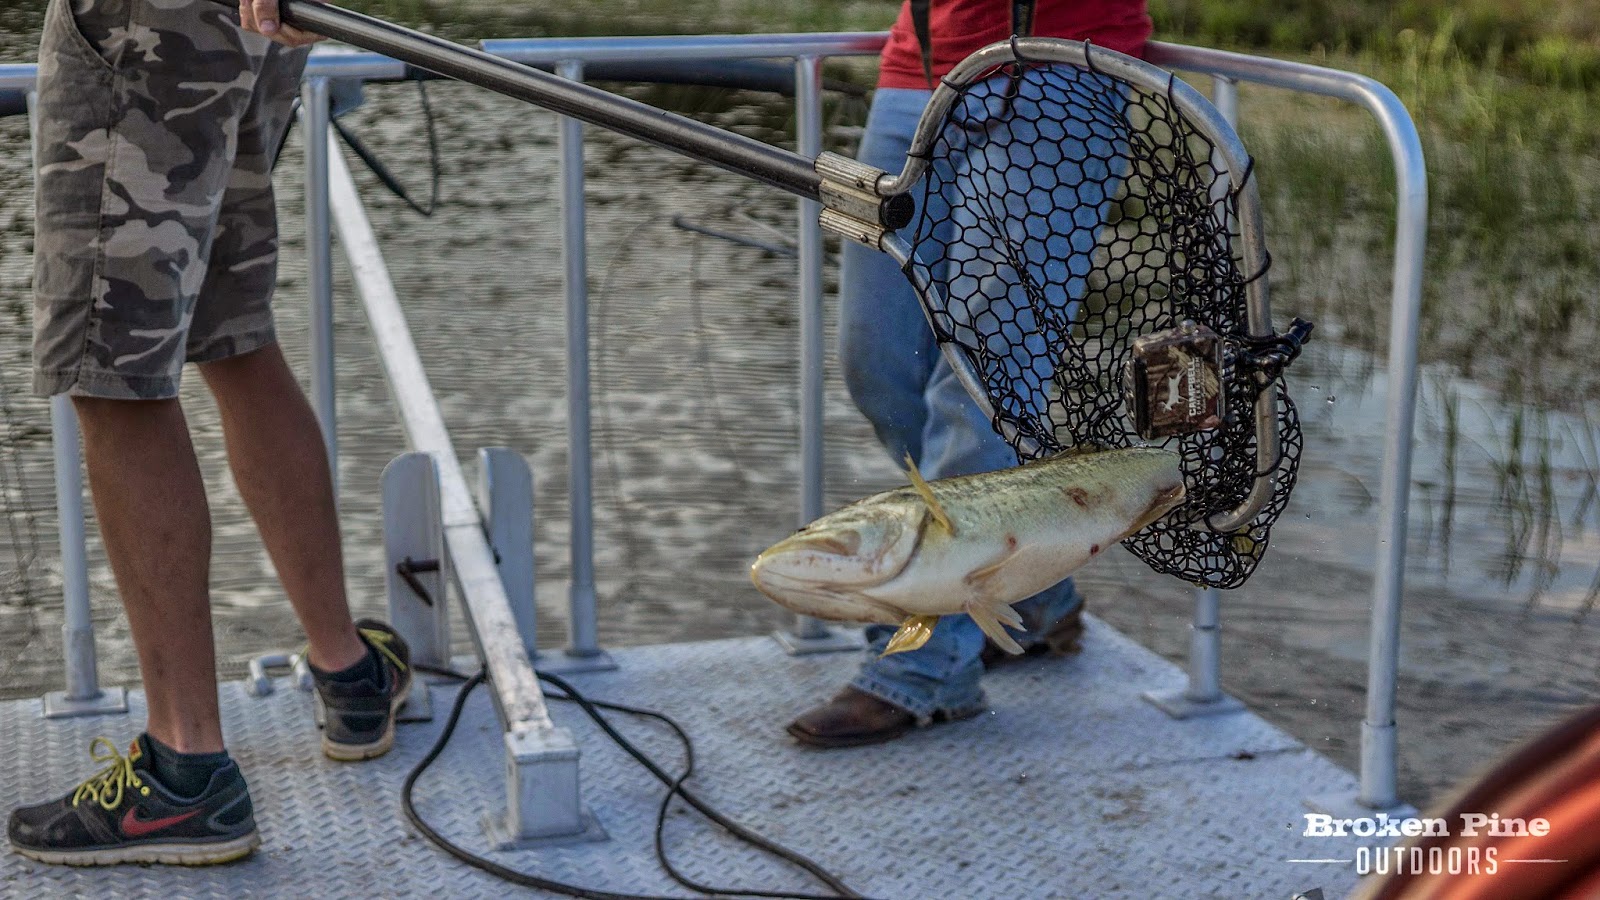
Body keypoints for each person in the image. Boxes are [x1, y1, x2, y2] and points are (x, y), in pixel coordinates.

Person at [6, 0, 409, 866]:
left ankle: (183, 769)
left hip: (144, 25)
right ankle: (348, 670)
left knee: (107, 370)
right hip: (240, 29)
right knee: (232, 332)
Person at [786, 0, 1152, 748]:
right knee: (877, 361)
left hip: (1054, 74)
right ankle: (1030, 580)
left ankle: (924, 667)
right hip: (914, 72)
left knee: (982, 382)